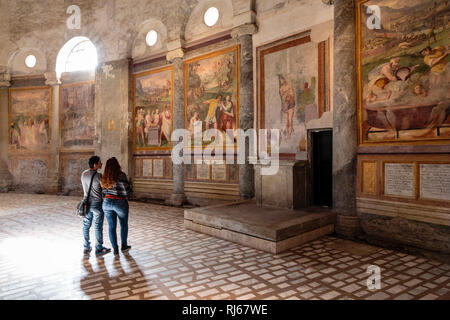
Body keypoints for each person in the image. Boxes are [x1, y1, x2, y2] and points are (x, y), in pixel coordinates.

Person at [101, 157, 133, 256]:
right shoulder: (121, 175)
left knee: (111, 226)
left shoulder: (104, 176)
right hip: (119, 202)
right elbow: (127, 191)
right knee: (123, 225)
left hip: (106, 202)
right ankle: (124, 246)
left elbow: (102, 191)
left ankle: (115, 249)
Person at [81, 156, 111, 256]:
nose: (101, 164)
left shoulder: (84, 174)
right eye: (99, 163)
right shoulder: (99, 176)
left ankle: (86, 246)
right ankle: (98, 248)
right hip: (97, 204)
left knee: (86, 225)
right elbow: (104, 189)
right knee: (98, 226)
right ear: (95, 165)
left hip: (86, 203)